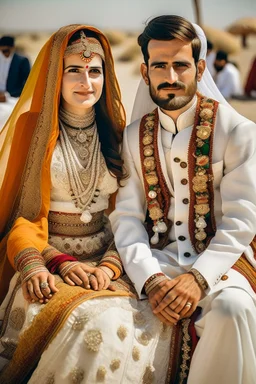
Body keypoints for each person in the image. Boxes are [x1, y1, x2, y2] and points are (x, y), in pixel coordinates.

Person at [0, 25, 172, 384]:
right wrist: (49, 263)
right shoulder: (33, 129)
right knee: (81, 324)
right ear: (54, 76)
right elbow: (23, 214)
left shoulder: (118, 130)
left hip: (110, 261)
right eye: (74, 70)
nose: (86, 81)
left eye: (95, 71)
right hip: (46, 259)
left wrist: (109, 267)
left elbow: (130, 214)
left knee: (136, 324)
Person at [110, 15, 256, 384]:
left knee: (231, 309)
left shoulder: (237, 130)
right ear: (145, 72)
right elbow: (126, 217)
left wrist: (199, 279)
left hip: (223, 263)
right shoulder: (132, 137)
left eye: (181, 65)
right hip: (155, 261)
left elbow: (241, 221)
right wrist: (151, 279)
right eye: (160, 65)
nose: (170, 76)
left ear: (199, 67)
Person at [0, 35, 31, 100]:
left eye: (6, 50)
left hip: (13, 99)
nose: (3, 53)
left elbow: (28, 84)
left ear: (13, 48)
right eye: (2, 51)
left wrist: (7, 95)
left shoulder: (22, 61)